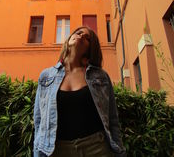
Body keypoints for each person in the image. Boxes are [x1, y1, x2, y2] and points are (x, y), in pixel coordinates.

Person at [33, 26, 126, 157]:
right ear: (69, 39)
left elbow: (112, 119)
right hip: (56, 150)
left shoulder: (100, 76)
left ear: (91, 48)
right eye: (78, 33)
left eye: (87, 38)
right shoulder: (46, 76)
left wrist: (119, 152)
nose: (81, 36)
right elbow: (39, 121)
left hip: (96, 148)